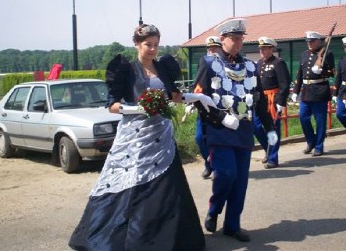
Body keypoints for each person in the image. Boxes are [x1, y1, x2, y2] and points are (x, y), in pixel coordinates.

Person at [69, 23, 215, 251]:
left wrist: (197, 98)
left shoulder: (164, 67)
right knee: (134, 185)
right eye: (148, 45)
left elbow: (173, 97)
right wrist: (137, 109)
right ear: (137, 44)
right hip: (135, 137)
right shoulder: (125, 70)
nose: (153, 49)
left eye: (156, 45)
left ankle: (170, 240)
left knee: (168, 187)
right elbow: (113, 106)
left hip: (161, 136)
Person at [191, 18, 277, 242]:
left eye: (241, 39)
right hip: (219, 130)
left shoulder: (250, 66)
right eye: (234, 39)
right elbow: (198, 99)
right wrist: (220, 117)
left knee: (240, 182)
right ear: (223, 39)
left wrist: (269, 127)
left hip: (243, 130)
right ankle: (214, 209)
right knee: (226, 174)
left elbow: (258, 101)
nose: (239, 43)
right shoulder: (208, 64)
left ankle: (232, 224)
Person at [291, 31, 335, 156]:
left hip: (319, 90)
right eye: (308, 42)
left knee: (320, 120)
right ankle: (311, 141)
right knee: (303, 117)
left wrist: (323, 70)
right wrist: (295, 90)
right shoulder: (304, 54)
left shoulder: (328, 54)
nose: (309, 44)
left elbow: (332, 72)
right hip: (305, 91)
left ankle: (319, 146)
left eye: (312, 41)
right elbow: (300, 73)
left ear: (319, 41)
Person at [253, 36, 291, 168]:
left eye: (265, 48)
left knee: (272, 129)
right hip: (260, 100)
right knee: (256, 127)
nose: (262, 51)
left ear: (272, 49)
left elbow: (284, 84)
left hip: (272, 100)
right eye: (261, 48)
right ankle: (268, 150)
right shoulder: (258, 64)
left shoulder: (278, 63)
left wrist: (281, 101)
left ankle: (273, 158)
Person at [195, 35, 223, 179]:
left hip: (219, 109)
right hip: (203, 108)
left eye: (215, 49)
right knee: (200, 138)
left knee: (216, 140)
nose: (212, 52)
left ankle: (217, 167)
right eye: (209, 49)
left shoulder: (225, 65)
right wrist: (192, 101)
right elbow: (198, 84)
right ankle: (209, 165)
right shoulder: (204, 63)